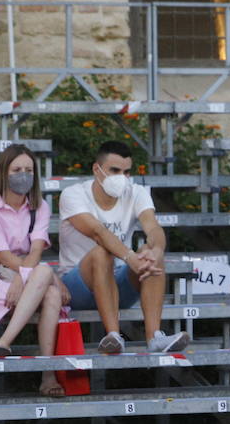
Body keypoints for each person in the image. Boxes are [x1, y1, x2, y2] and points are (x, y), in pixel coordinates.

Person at [57, 140, 188, 355]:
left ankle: (154, 337)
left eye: (127, 172)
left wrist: (155, 252)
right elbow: (98, 232)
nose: (122, 178)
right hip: (77, 285)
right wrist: (129, 257)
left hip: (117, 282)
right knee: (102, 252)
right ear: (96, 169)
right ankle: (113, 335)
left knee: (150, 253)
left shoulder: (136, 192)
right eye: (115, 170)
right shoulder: (73, 194)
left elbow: (153, 227)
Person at [0, 144, 68, 396]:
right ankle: (42, 372)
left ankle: (37, 367)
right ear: (4, 172)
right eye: (17, 169)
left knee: (51, 290)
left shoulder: (40, 207)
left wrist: (23, 278)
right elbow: (3, 255)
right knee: (47, 276)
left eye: (28, 169)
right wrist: (26, 276)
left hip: (27, 278)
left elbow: (36, 250)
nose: (23, 174)